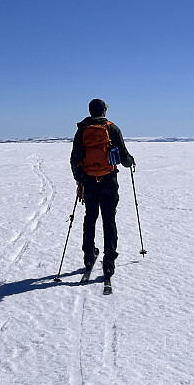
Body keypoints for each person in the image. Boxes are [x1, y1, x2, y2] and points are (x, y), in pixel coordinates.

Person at [70, 98, 135, 280]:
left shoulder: (82, 130)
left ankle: (89, 257)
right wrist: (130, 162)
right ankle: (109, 262)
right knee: (109, 220)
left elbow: (74, 159)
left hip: (89, 181)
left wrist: (79, 180)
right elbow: (123, 157)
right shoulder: (112, 128)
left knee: (90, 218)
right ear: (103, 111)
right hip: (108, 180)